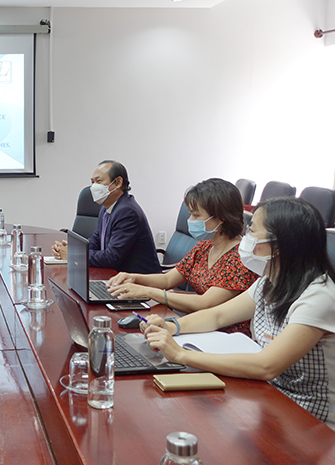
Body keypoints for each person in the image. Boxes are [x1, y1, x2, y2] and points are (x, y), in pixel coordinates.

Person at [142, 197, 335, 429]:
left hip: (311, 418)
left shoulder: (318, 297)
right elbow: (218, 316)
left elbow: (266, 366)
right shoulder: (269, 281)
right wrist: (172, 327)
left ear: (280, 244)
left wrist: (181, 355)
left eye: (253, 231)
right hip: (270, 396)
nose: (246, 238)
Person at [107, 178, 258, 335]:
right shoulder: (205, 246)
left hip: (222, 335)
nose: (189, 220)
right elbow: (168, 280)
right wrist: (133, 278)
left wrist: (147, 292)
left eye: (196, 215)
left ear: (221, 217)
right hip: (195, 325)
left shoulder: (239, 258)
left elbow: (204, 303)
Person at [51, 160, 161, 274]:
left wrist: (75, 255)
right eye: (92, 182)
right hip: (117, 276)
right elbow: (96, 241)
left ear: (118, 182)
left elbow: (111, 257)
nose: (93, 187)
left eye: (99, 181)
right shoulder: (106, 208)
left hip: (139, 280)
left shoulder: (127, 212)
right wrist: (72, 248)